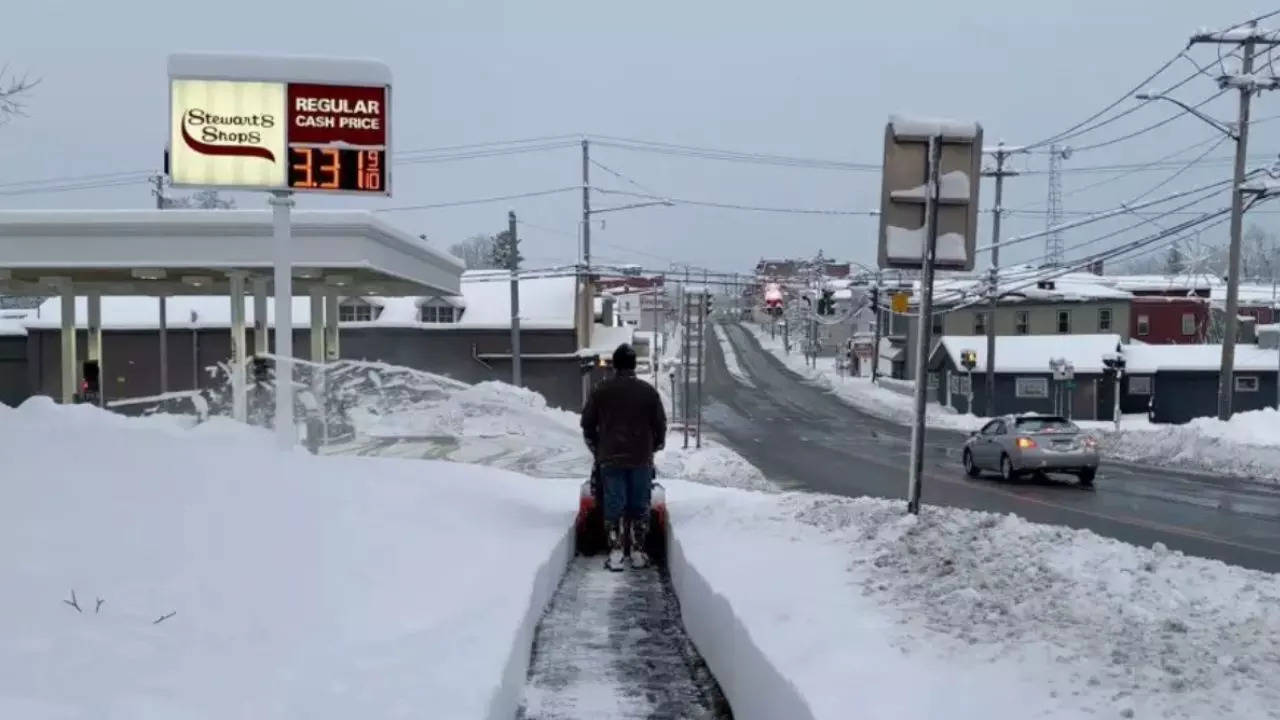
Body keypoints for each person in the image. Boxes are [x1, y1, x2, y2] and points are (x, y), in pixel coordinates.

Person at [581, 343, 666, 570]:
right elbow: (660, 424)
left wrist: (597, 448)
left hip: (610, 458)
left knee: (614, 503)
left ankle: (616, 550)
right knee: (640, 503)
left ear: (615, 365)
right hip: (641, 458)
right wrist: (654, 446)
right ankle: (638, 551)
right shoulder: (648, 392)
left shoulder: (601, 390)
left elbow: (587, 423)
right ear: (634, 365)